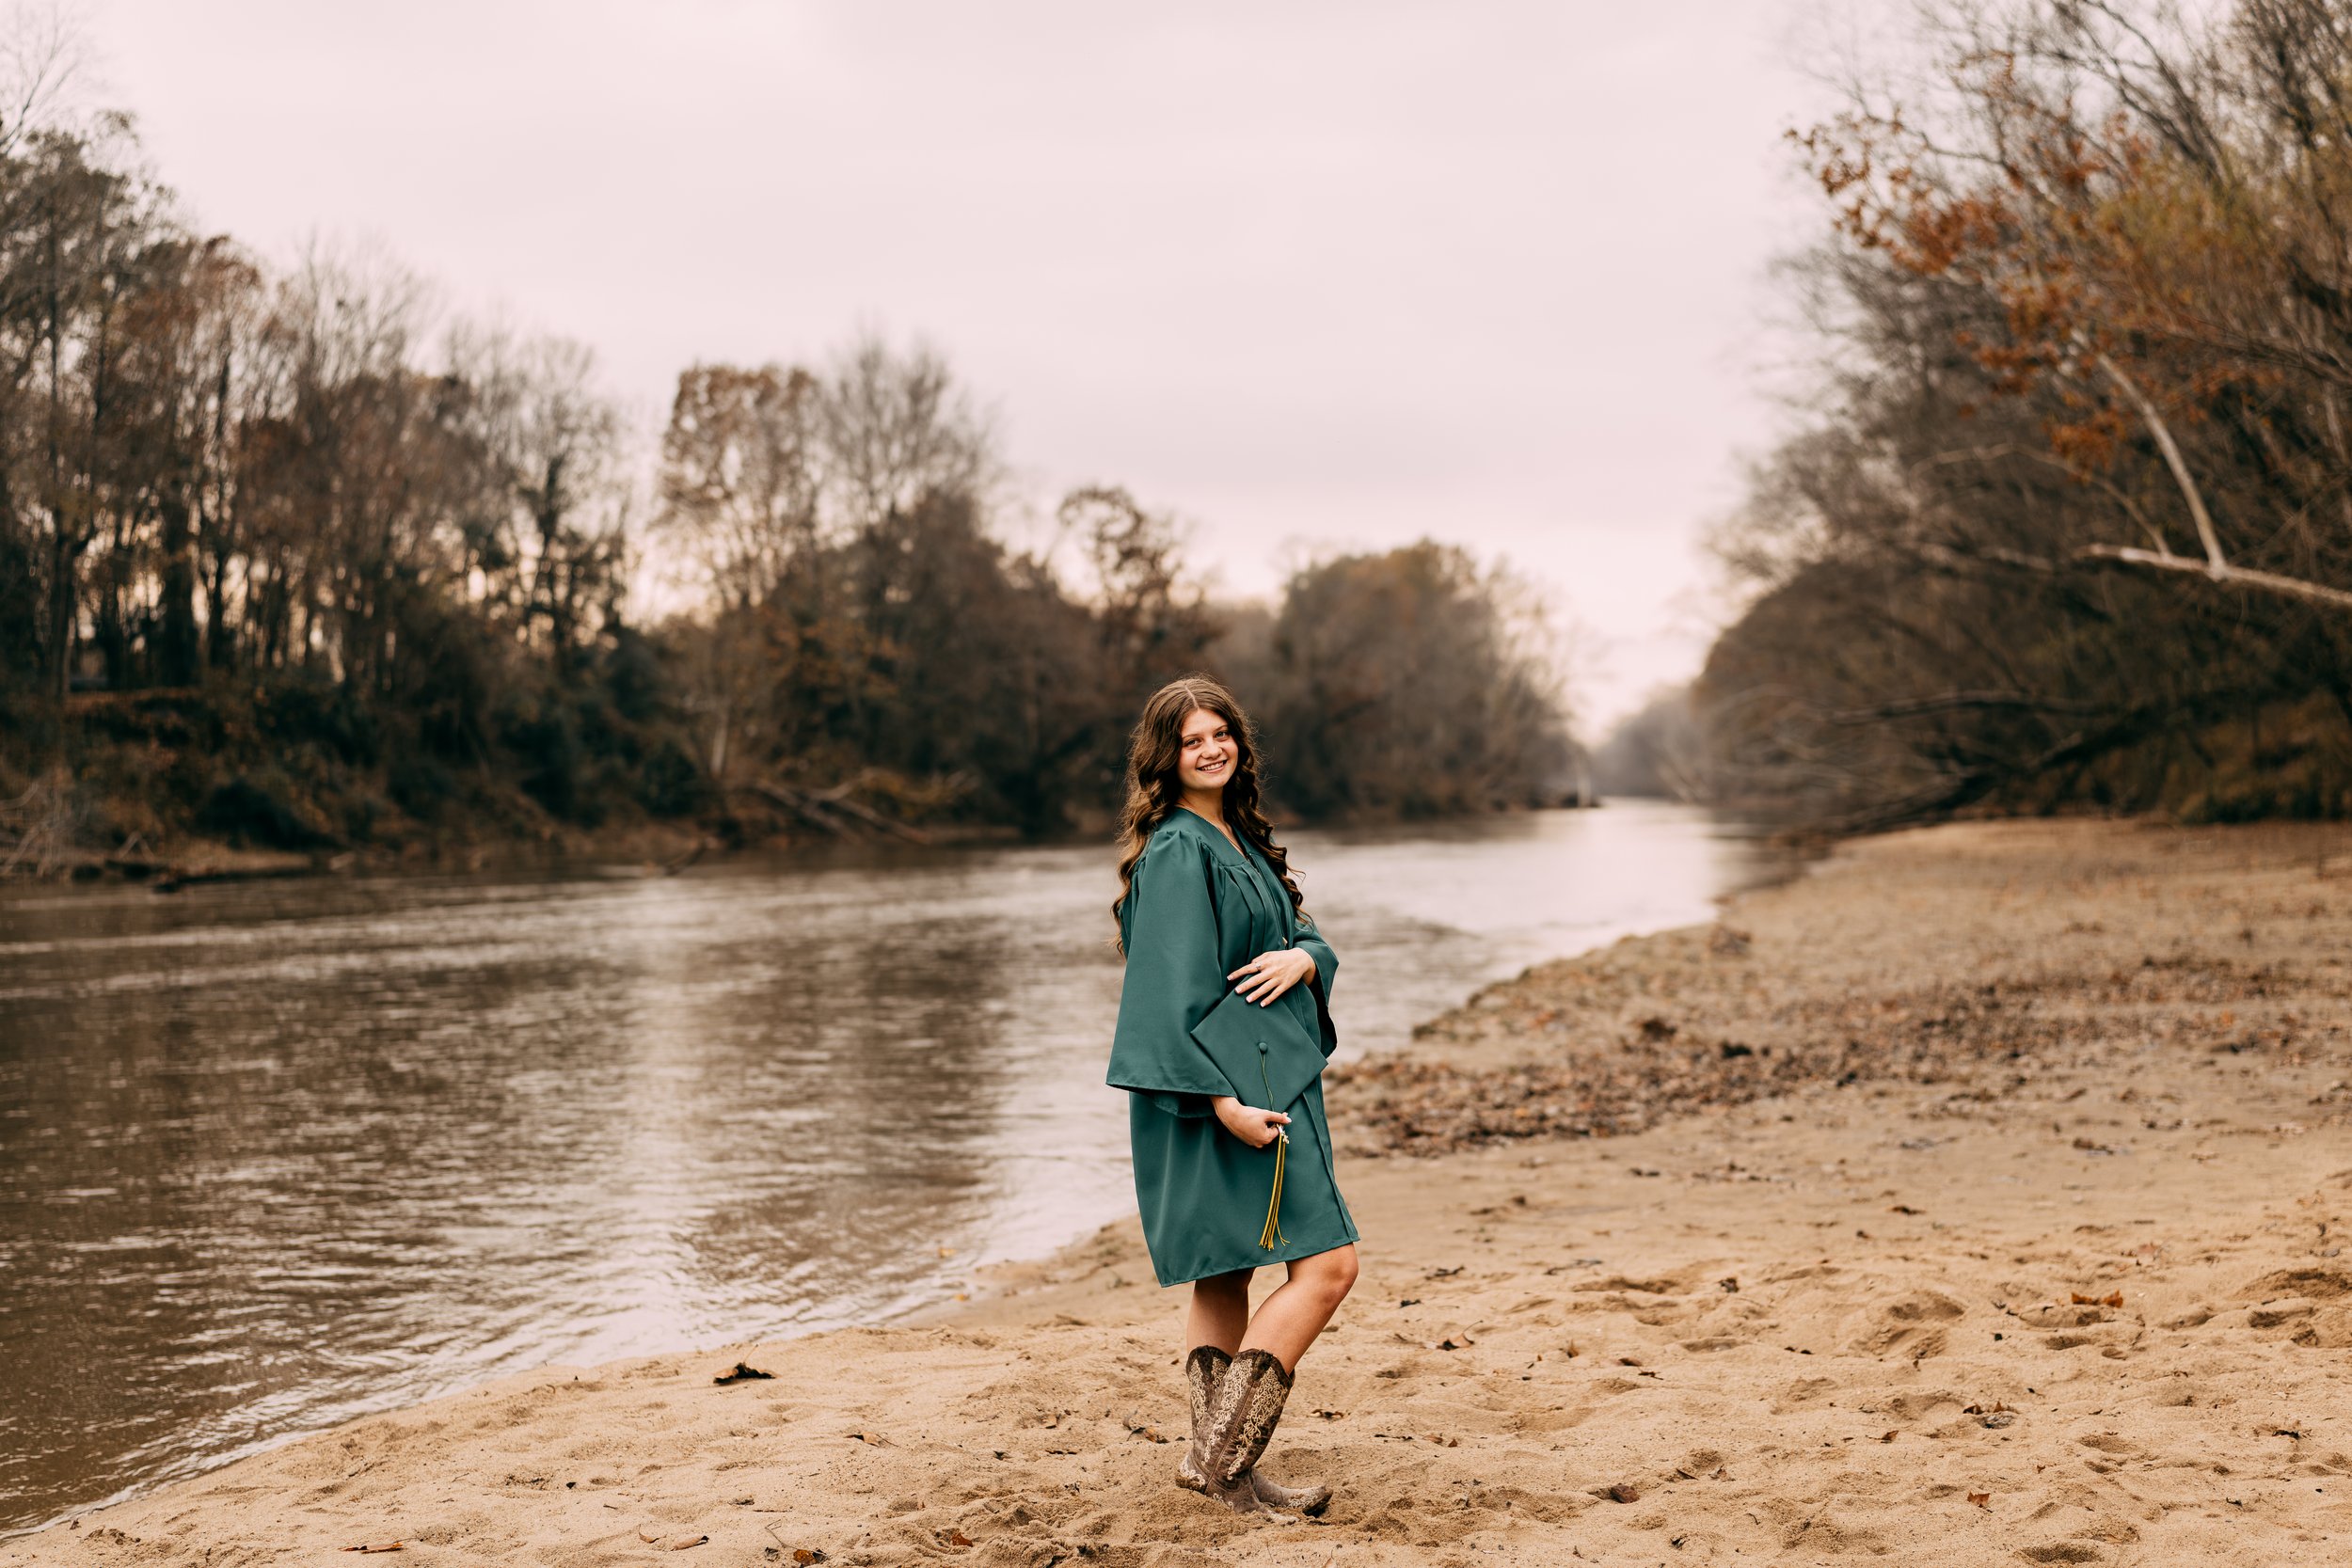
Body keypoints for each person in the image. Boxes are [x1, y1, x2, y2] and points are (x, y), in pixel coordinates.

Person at [1104, 674, 1360, 1521]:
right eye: (1191, 739)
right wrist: (1223, 1104)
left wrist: (1307, 960)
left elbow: (1301, 934)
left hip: (1269, 1081)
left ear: (1239, 743)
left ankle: (1226, 1472)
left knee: (1223, 1277)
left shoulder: (1239, 836)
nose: (1211, 748)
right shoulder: (1180, 849)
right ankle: (1219, 1461)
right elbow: (1166, 995)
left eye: (1221, 733)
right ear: (1164, 758)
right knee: (1328, 1265)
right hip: (1225, 1096)